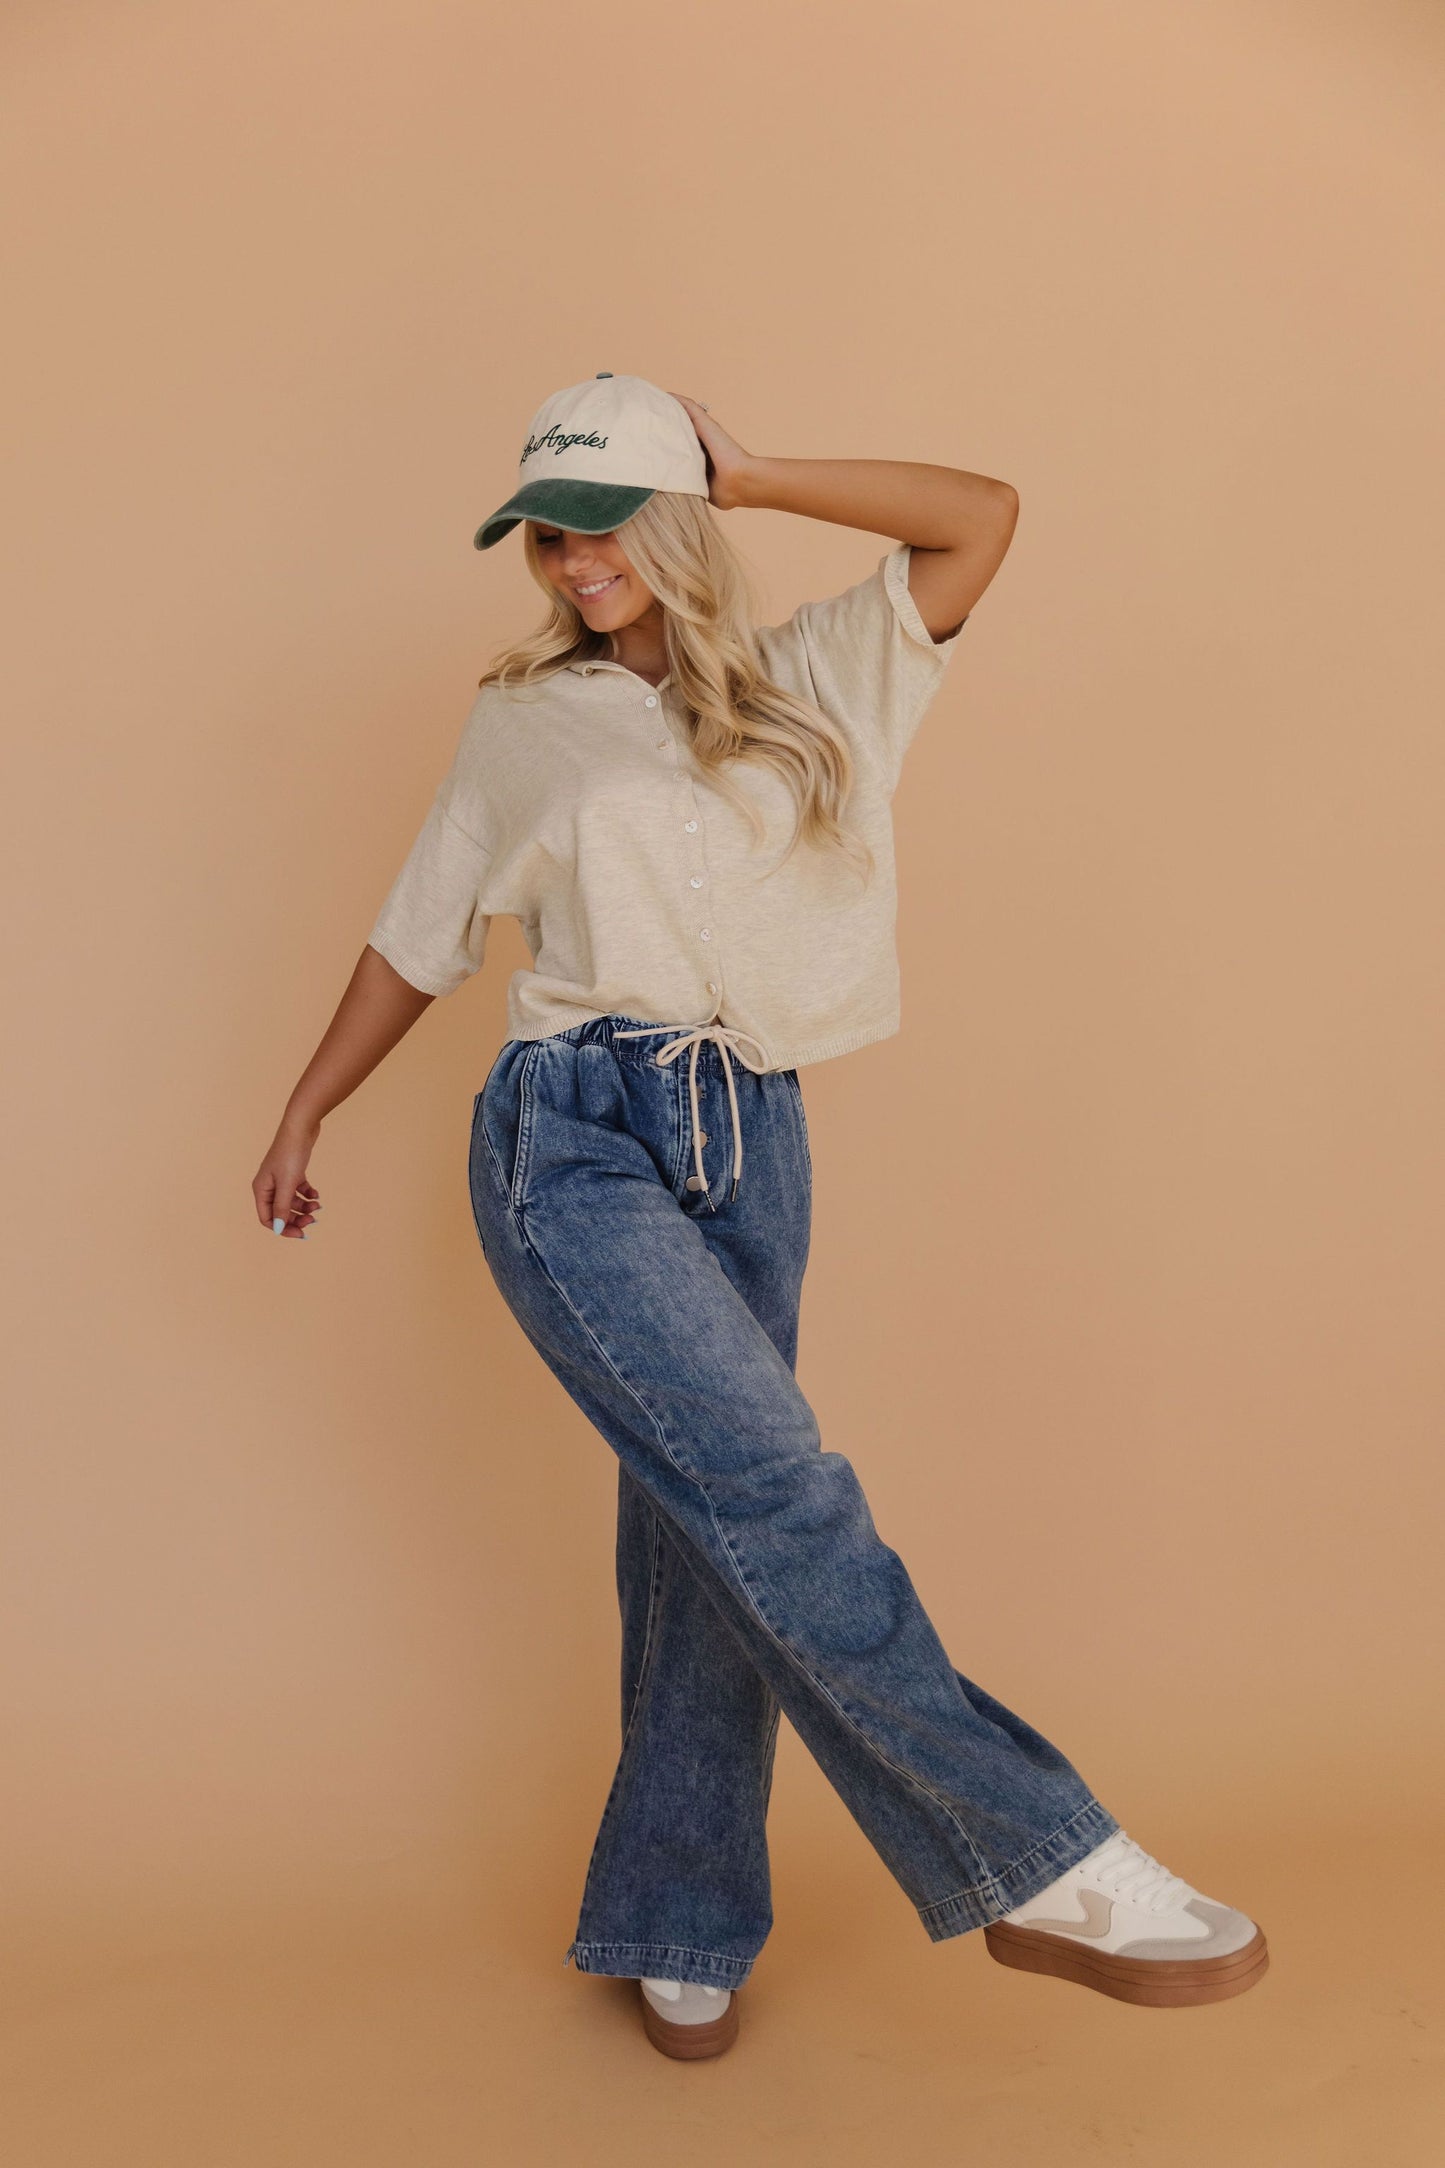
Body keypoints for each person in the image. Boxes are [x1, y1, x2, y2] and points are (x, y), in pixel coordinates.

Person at [252, 372, 1268, 2061]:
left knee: (702, 1523)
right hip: (571, 1131)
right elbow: (418, 933)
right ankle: (1046, 1859)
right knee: (776, 1491)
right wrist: (306, 1108)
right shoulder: (520, 718)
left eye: (601, 523)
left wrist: (762, 470)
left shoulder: (821, 677)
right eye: (546, 536)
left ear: (675, 517)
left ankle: (677, 1909)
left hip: (754, 1135)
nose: (574, 561)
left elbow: (981, 517)